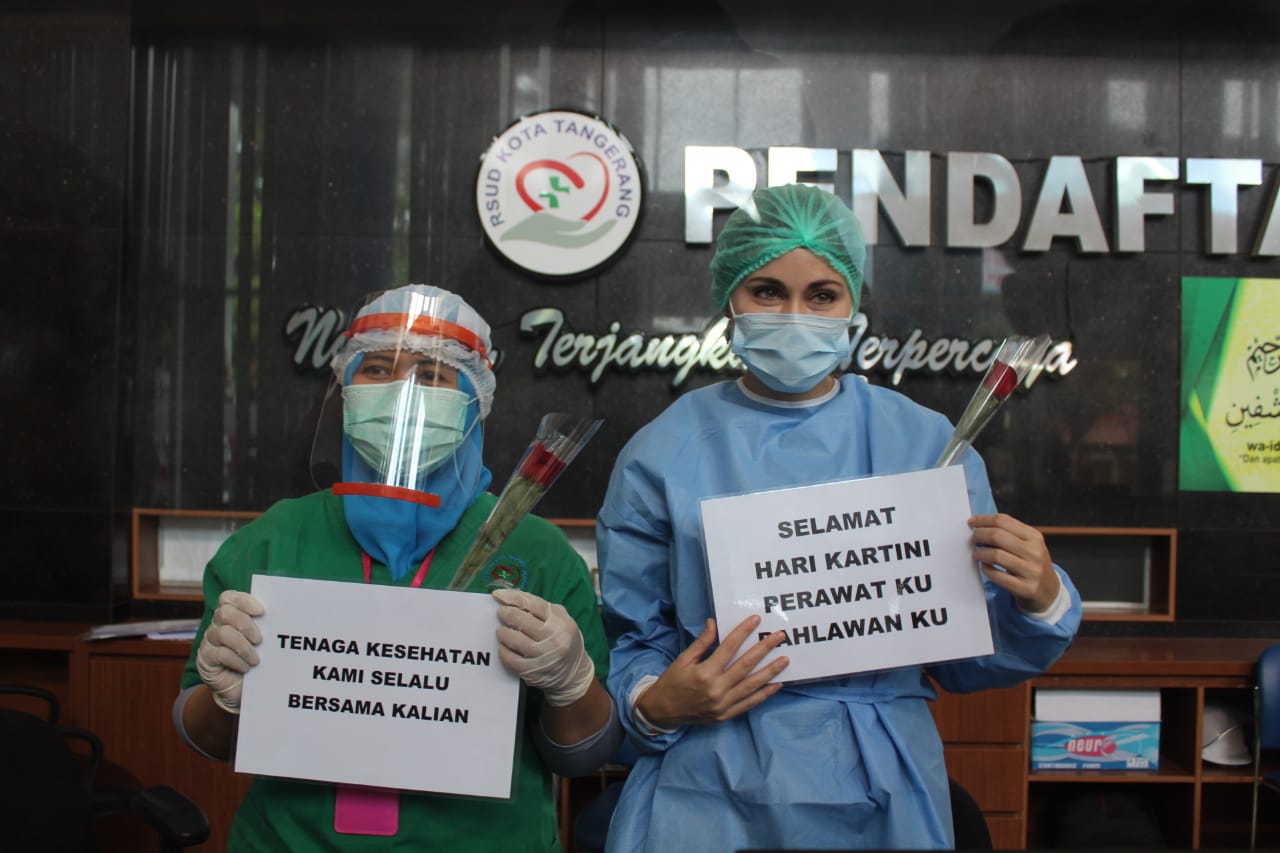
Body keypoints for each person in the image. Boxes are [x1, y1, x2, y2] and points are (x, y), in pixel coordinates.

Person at [596, 184, 1082, 852]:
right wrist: (657, 701)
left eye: (822, 295)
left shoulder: (923, 444)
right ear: (728, 300)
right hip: (707, 788)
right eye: (766, 291)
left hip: (881, 786)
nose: (795, 315)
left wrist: (1039, 595)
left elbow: (962, 653)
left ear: (854, 304)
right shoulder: (663, 453)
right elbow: (635, 637)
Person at [173, 284, 620, 851]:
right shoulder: (268, 543)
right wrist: (226, 695)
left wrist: (570, 682)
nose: (402, 392)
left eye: (432, 375)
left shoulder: (536, 553)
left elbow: (583, 753)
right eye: (377, 368)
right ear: (345, 388)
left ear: (473, 400)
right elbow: (204, 737)